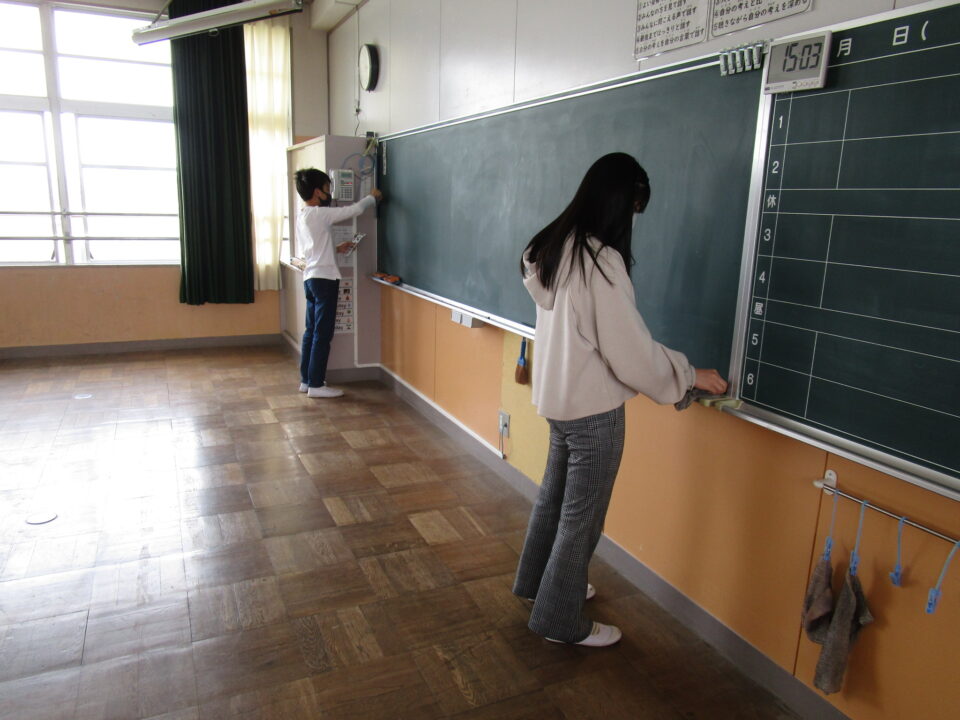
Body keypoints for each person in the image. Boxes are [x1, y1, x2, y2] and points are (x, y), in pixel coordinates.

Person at [512, 152, 728, 647]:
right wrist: (689, 375)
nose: (632, 220)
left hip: (558, 404)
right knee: (581, 516)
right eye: (633, 208)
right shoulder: (599, 264)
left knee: (554, 500)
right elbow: (631, 354)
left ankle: (540, 587)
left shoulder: (554, 248)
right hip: (593, 412)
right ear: (619, 202)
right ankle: (559, 619)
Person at [294, 168, 382, 398]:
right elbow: (353, 210)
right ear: (317, 191)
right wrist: (372, 198)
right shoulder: (319, 213)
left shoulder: (302, 215)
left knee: (311, 332)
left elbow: (313, 249)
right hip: (324, 280)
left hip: (311, 279)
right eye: (326, 188)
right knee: (322, 334)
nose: (329, 193)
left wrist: (335, 248)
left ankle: (306, 381)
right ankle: (316, 385)